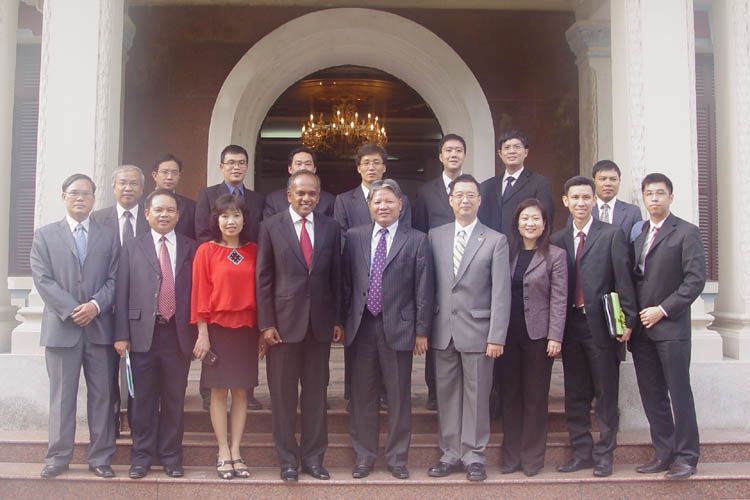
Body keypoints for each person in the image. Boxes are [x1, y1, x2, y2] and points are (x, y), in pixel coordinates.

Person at [343, 179, 434, 480]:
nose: (383, 206)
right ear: (369, 206)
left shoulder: (417, 239)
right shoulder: (354, 237)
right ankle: (364, 456)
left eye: (389, 201)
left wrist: (422, 331)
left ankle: (397, 458)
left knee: (398, 395)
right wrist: (343, 321)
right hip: (362, 326)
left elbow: (424, 288)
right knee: (362, 395)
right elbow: (346, 283)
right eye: (377, 202)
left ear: (400, 205)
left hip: (399, 328)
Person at [256, 170, 343, 482]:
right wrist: (266, 324)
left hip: (319, 326)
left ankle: (314, 459)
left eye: (312, 194)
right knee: (282, 397)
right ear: (289, 195)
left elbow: (336, 277)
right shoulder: (270, 226)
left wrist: (337, 319)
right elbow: (263, 278)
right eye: (301, 193)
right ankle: (287, 461)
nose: (306, 198)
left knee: (316, 395)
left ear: (318, 197)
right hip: (282, 327)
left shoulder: (331, 227)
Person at [31, 173, 119, 479]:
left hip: (99, 327)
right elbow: (43, 279)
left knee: (102, 396)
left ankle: (101, 457)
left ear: (94, 199)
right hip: (61, 329)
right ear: (63, 197)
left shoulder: (109, 236)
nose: (80, 198)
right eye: (74, 193)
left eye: (86, 194)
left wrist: (95, 305)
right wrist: (72, 310)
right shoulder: (44, 235)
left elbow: (115, 278)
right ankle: (57, 457)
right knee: (62, 396)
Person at [550, 176, 637, 478]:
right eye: (575, 198)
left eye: (586, 197)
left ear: (594, 200)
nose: (581, 203)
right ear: (566, 201)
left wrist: (628, 320)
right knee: (575, 393)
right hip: (570, 326)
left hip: (601, 325)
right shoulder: (558, 239)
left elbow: (623, 280)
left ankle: (604, 455)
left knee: (605, 392)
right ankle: (581, 452)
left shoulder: (611, 235)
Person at [426, 174, 510, 482]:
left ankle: (474, 455)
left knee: (477, 396)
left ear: (479, 200)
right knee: (447, 395)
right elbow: (428, 285)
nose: (464, 200)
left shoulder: (495, 240)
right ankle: (450, 453)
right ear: (450, 201)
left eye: (470, 195)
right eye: (459, 195)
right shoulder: (435, 236)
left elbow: (501, 293)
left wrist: (496, 336)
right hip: (443, 330)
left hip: (479, 331)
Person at [113, 189, 198, 479]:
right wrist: (121, 334)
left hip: (177, 333)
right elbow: (122, 291)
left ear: (178, 215)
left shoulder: (191, 247)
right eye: (158, 210)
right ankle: (141, 456)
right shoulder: (131, 247)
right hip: (141, 335)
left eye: (170, 210)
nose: (164, 215)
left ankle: (171, 456)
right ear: (147, 214)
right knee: (142, 400)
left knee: (174, 398)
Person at [630, 173, 705, 480]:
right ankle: (664, 453)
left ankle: (687, 456)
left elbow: (694, 281)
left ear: (671, 197)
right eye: (649, 194)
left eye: (660, 193)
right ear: (644, 198)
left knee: (679, 393)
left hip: (671, 329)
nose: (654, 198)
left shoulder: (686, 232)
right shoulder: (640, 234)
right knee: (653, 396)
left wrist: (662, 310)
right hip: (642, 332)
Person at [333, 143, 411, 408]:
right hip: (357, 277)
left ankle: (387, 394)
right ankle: (354, 394)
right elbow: (341, 239)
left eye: (376, 162)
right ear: (358, 168)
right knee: (358, 349)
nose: (371, 167)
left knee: (389, 347)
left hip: (391, 283)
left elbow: (404, 238)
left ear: (384, 167)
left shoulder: (399, 198)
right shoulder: (344, 200)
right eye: (365, 163)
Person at [191, 193, 260, 480]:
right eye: (224, 216)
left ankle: (236, 450)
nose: (231, 221)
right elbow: (199, 294)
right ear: (216, 220)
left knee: (241, 391)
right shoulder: (206, 251)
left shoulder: (255, 250)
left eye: (236, 215)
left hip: (246, 330)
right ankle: (222, 450)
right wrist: (202, 334)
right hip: (217, 330)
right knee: (218, 391)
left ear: (244, 220)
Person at [500, 198, 568, 477]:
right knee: (509, 396)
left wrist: (555, 336)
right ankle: (510, 456)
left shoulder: (555, 255)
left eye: (535, 219)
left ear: (544, 224)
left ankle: (531, 457)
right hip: (507, 335)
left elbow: (559, 298)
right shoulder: (506, 252)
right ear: (517, 223)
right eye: (525, 218)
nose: (530, 223)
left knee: (535, 397)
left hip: (539, 337)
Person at [195, 144, 264, 410]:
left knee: (243, 366)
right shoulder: (207, 195)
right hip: (218, 269)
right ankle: (208, 393)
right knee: (215, 359)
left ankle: (247, 393)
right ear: (222, 166)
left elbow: (259, 234)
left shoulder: (257, 199)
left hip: (246, 266)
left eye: (241, 162)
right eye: (231, 162)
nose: (236, 167)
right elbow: (202, 232)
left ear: (247, 166)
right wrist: (223, 253)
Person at [91, 165, 149, 437]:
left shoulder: (151, 216)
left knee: (139, 372)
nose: (128, 188)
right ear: (113, 187)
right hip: (106, 309)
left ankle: (139, 427)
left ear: (142, 189)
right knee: (106, 374)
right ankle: (110, 427)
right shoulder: (97, 219)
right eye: (123, 183)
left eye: (134, 183)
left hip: (141, 310)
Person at [413, 133, 466, 411]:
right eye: (449, 150)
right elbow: (420, 230)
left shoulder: (473, 188)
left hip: (466, 269)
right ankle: (434, 390)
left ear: (464, 156)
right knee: (436, 328)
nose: (453, 155)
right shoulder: (426, 192)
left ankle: (462, 388)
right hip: (435, 269)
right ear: (440, 156)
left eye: (458, 150)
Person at [478, 130, 555, 239]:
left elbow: (546, 219)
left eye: (517, 147)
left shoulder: (539, 183)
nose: (512, 151)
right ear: (500, 153)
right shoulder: (487, 186)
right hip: (493, 246)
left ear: (526, 152)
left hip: (525, 245)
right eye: (507, 148)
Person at [568, 160, 642, 238]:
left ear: (619, 181)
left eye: (613, 179)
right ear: (593, 181)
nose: (608, 184)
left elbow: (638, 242)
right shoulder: (580, 210)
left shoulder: (632, 212)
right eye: (602, 179)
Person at [262, 147, 335, 218]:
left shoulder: (328, 201)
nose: (303, 168)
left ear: (314, 169)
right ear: (290, 169)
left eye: (308, 164)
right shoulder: (274, 200)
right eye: (298, 164)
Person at [151, 153, 197, 240]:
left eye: (174, 173)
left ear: (179, 176)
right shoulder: (140, 204)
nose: (169, 177)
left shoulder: (192, 207)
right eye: (165, 172)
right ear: (154, 175)